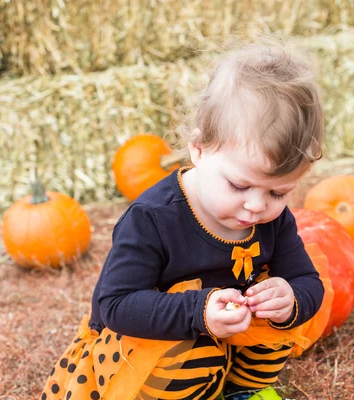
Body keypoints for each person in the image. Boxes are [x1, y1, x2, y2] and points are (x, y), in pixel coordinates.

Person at [41, 38, 326, 400]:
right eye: (240, 185)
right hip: (148, 343)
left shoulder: (274, 219)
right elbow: (117, 305)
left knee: (276, 323)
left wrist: (290, 299)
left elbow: (307, 280)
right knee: (193, 354)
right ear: (199, 149)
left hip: (228, 331)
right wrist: (199, 311)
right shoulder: (153, 219)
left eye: (278, 193)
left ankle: (241, 391)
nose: (257, 207)